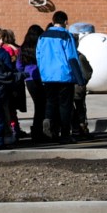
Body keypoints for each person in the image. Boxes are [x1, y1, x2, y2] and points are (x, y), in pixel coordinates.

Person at [35, 11, 82, 144]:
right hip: (64, 75)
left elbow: (39, 56)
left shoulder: (42, 36)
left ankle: (49, 125)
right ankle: (65, 134)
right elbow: (72, 57)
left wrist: (42, 73)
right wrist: (79, 78)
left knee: (51, 102)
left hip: (47, 75)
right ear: (66, 22)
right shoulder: (66, 36)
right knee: (65, 105)